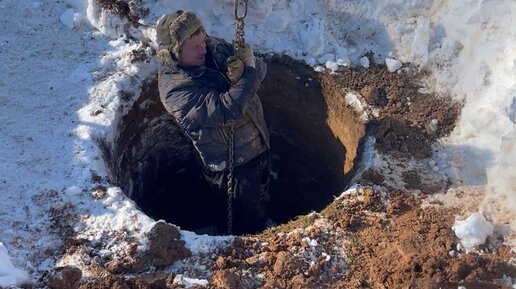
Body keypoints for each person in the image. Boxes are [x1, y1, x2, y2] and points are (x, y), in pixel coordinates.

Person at [155, 10, 271, 235]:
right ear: (175, 53)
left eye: (202, 40)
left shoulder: (213, 47)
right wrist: (248, 72)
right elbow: (228, 109)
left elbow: (261, 69)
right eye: (195, 47)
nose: (203, 49)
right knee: (243, 217)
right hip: (232, 166)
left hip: (258, 141)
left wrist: (248, 68)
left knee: (261, 195)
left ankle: (261, 221)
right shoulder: (175, 91)